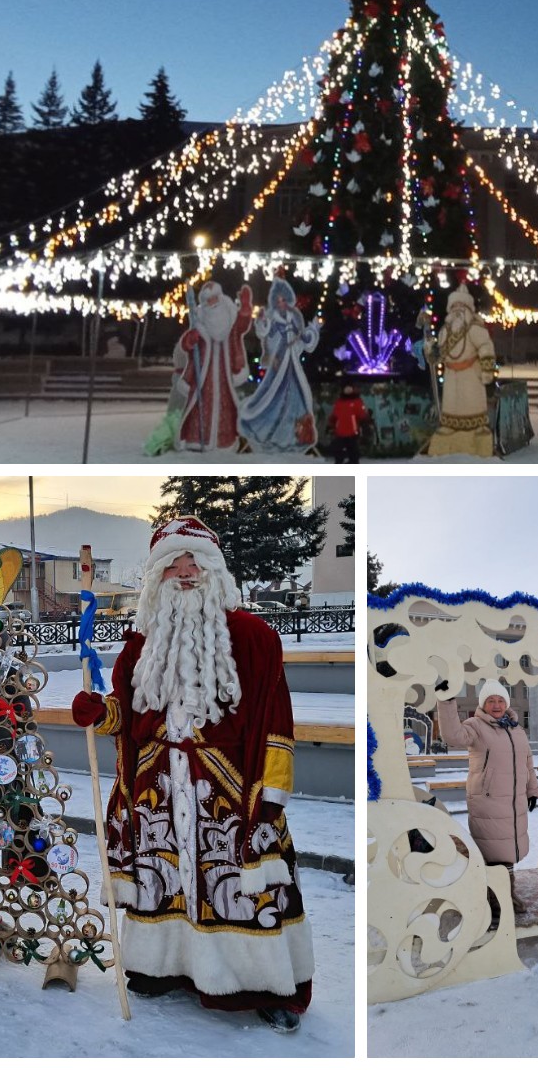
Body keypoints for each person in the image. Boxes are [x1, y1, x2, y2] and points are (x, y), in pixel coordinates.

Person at [71, 516, 314, 1033]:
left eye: (195, 562)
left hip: (227, 784)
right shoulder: (141, 642)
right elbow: (129, 715)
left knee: (240, 883)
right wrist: (102, 713)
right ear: (157, 575)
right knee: (164, 879)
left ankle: (266, 985)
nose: (185, 572)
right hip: (157, 784)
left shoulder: (254, 636)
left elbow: (276, 720)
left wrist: (271, 794)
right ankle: (165, 967)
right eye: (173, 564)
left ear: (214, 570)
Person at [436, 680, 538, 909]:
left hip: (514, 803)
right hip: (489, 801)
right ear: (483, 703)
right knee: (494, 853)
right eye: (491, 700)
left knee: (508, 851)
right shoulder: (476, 726)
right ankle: (497, 900)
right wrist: (446, 700)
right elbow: (453, 736)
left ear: (507, 703)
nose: (496, 705)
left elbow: (527, 761)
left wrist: (532, 789)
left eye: (500, 700)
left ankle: (504, 895)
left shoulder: (515, 728)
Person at [237, 276, 321, 454]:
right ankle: (270, 433)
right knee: (272, 396)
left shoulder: (295, 317)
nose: (282, 303)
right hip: (279, 363)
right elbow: (265, 335)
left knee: (297, 395)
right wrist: (261, 322)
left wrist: (313, 331)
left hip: (292, 363)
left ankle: (293, 436)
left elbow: (303, 337)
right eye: (278, 300)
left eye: (284, 300)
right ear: (274, 302)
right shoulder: (274, 319)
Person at [173, 280, 253, 452]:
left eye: (215, 298)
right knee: (200, 407)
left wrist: (245, 310)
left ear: (220, 297)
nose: (212, 303)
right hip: (204, 373)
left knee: (224, 408)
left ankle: (223, 442)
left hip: (224, 373)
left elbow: (241, 327)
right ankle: (196, 440)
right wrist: (190, 340)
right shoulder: (199, 319)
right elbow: (186, 344)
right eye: (208, 300)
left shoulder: (229, 316)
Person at [425, 284, 496, 458]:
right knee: (451, 406)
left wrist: (487, 370)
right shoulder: (444, 331)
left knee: (472, 405)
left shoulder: (474, 328)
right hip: (451, 377)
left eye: (461, 306)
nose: (458, 310)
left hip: (471, 376)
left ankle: (477, 429)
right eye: (455, 306)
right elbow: (439, 354)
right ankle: (450, 428)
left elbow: (486, 347)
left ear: (468, 309)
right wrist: (431, 351)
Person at [326, 382, 370, 462]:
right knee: (337, 451)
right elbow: (334, 415)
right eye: (346, 388)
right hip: (340, 432)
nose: (348, 390)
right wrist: (330, 425)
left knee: (353, 454)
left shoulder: (357, 401)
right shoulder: (339, 402)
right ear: (343, 390)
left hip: (352, 432)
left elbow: (362, 415)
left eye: (350, 388)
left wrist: (365, 425)